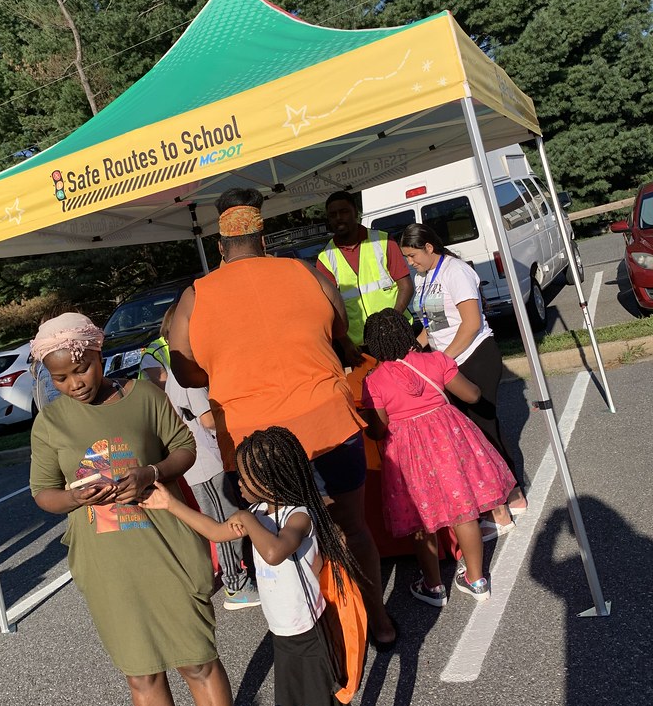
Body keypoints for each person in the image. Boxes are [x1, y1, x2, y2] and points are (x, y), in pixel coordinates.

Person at [169, 187, 398, 650]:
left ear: (220, 245)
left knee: (278, 539)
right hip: (328, 426)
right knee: (351, 526)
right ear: (263, 236)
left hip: (256, 446)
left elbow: (185, 370)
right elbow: (339, 331)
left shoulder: (196, 296)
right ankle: (378, 621)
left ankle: (316, 635)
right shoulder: (305, 272)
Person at [28, 313, 242, 706]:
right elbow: (43, 492)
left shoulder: (144, 395)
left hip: (167, 547)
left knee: (199, 662)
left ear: (98, 355)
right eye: (60, 377)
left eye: (81, 370)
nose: (74, 384)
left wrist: (149, 473)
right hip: (109, 566)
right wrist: (74, 497)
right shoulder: (50, 421)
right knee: (142, 675)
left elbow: (184, 447)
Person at [142, 426, 373, 706]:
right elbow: (217, 532)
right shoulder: (257, 511)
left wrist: (249, 520)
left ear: (273, 478)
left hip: (313, 635)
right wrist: (171, 505)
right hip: (284, 637)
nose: (241, 486)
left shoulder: (300, 516)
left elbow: (275, 552)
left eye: (248, 480)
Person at [360, 309, 517, 603]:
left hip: (407, 454)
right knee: (464, 510)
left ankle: (433, 586)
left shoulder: (374, 381)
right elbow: (471, 395)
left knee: (420, 519)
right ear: (408, 335)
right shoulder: (435, 360)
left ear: (373, 347)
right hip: (449, 440)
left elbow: (378, 430)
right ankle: (476, 579)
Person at [399, 222, 527, 536]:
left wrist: (441, 360)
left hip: (475, 357)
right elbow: (435, 324)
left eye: (413, 255)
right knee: (470, 434)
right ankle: (504, 496)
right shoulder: (424, 276)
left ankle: (511, 496)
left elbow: (470, 324)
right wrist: (414, 351)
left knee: (484, 429)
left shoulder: (456, 271)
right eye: (407, 257)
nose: (410, 262)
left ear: (429, 247)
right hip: (450, 363)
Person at [154, 302, 260, 610]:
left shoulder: (179, 372)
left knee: (228, 518)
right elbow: (208, 420)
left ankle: (240, 578)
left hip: (206, 460)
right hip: (205, 462)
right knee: (225, 521)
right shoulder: (188, 375)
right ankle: (235, 587)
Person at [316, 190, 414, 368]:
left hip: (398, 336)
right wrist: (345, 344)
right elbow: (327, 308)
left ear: (356, 212)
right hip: (360, 348)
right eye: (333, 215)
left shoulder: (384, 241)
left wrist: (392, 321)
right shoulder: (325, 257)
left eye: (344, 212)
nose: (339, 218)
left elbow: (405, 286)